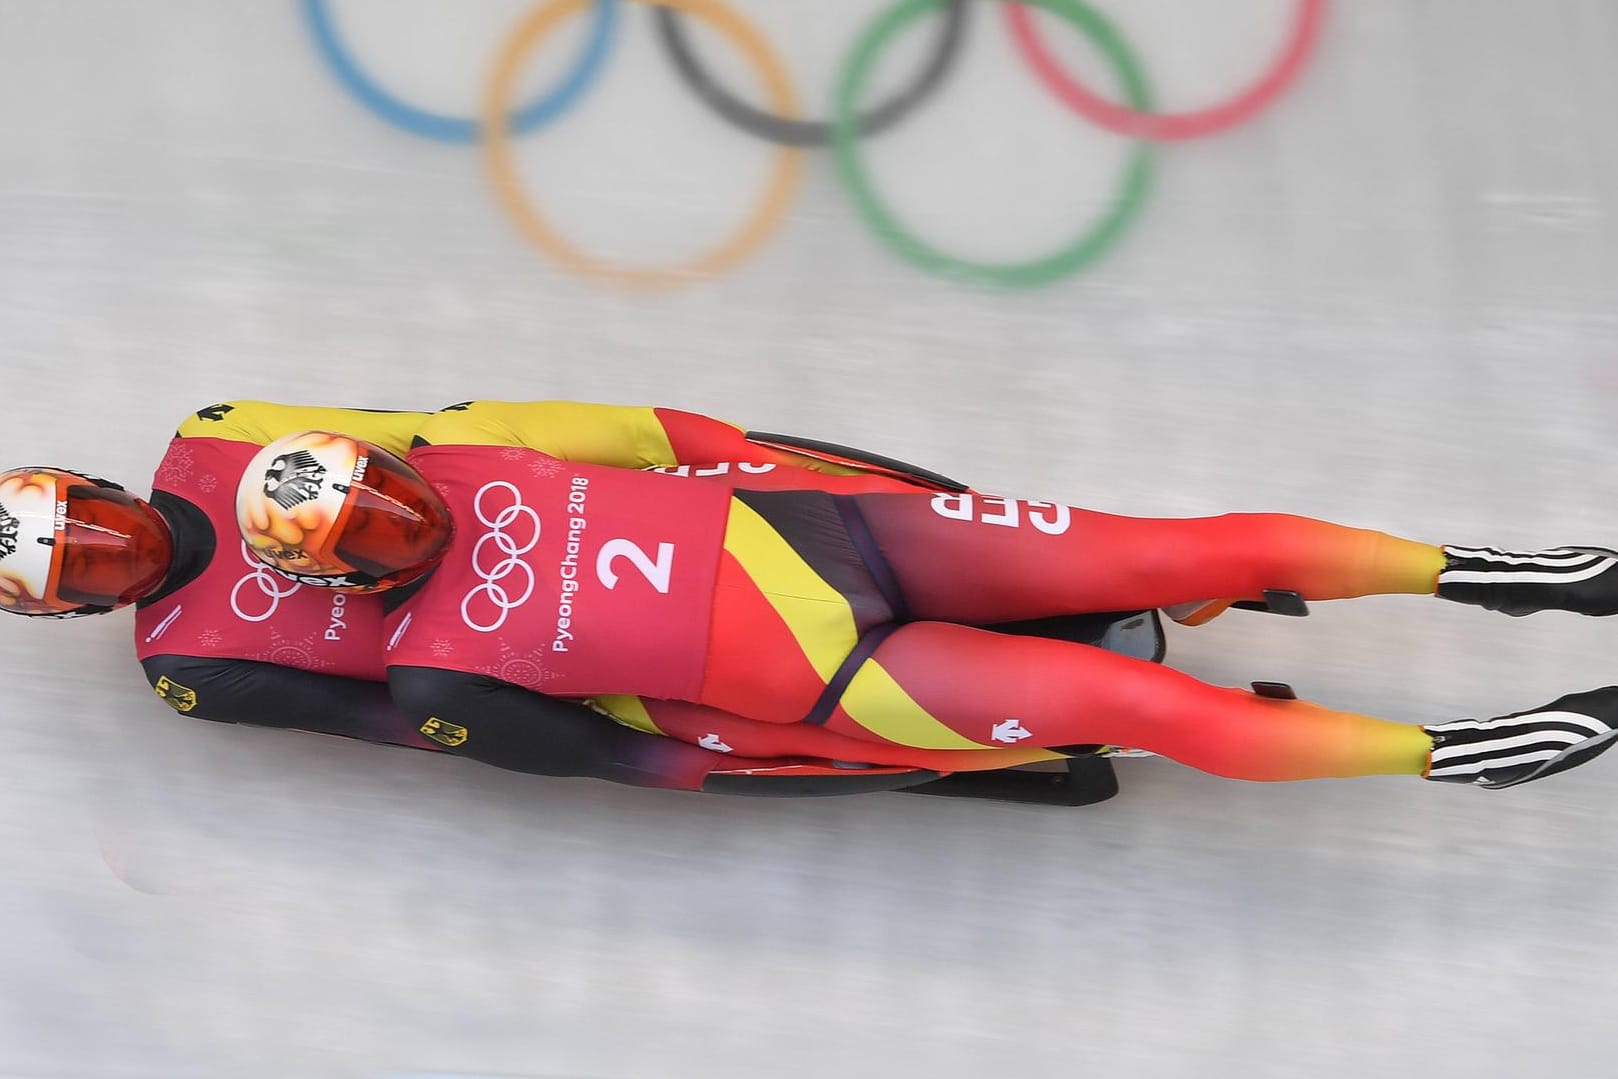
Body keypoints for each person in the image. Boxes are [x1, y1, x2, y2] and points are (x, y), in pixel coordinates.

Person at [226, 399, 1618, 793]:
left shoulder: (473, 444)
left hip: (850, 534)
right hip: (831, 678)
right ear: (339, 576)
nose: (410, 509)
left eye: (391, 485)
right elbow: (619, 749)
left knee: (1168, 552)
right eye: (377, 528)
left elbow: (681, 433)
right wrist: (809, 753)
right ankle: (1453, 756)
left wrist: (850, 481)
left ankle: (1489, 572)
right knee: (1140, 700)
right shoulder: (435, 671)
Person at [0, 400, 960, 797]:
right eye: (84, 566)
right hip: (555, 665)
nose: (111, 547)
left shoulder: (221, 432)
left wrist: (659, 442)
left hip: (562, 536)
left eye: (91, 519)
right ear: (75, 607)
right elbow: (389, 719)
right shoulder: (185, 669)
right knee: (750, 719)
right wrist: (620, 751)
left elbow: (424, 440)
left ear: (100, 485)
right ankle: (921, 743)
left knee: (765, 502)